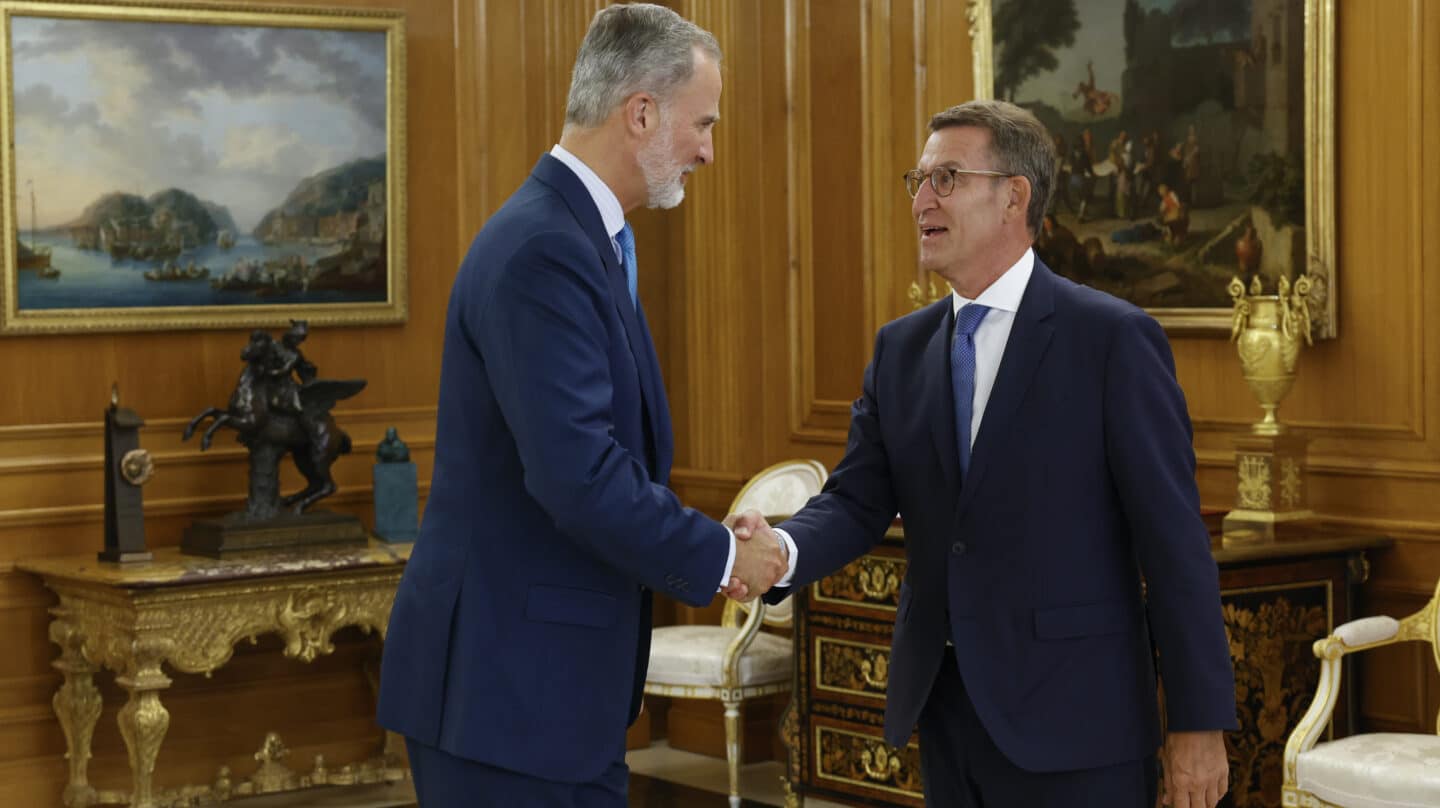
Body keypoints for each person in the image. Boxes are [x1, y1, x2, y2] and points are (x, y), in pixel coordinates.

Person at [731, 100, 1236, 807]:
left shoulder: (1111, 342)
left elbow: (1175, 544)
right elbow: (856, 500)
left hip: (1076, 727)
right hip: (945, 715)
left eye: (946, 178)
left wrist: (1198, 722)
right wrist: (778, 551)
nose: (921, 200)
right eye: (917, 179)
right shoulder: (900, 350)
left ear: (1014, 197)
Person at [376, 6, 788, 805]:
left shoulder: (577, 238)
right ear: (640, 113)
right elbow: (581, 477)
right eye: (701, 122)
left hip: (544, 698)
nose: (707, 147)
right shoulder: (546, 250)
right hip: (507, 699)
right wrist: (724, 557)